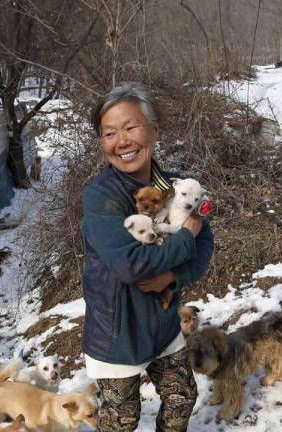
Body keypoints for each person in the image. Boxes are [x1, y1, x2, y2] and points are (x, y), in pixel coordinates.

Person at [81, 82, 215, 431]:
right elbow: (129, 266)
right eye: (109, 133)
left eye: (130, 127)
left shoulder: (176, 188)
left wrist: (172, 277)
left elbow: (204, 249)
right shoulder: (101, 199)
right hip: (117, 334)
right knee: (121, 421)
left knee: (182, 396)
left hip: (163, 324)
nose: (121, 141)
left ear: (155, 130)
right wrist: (186, 234)